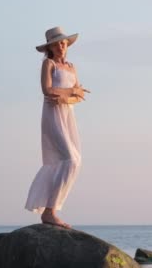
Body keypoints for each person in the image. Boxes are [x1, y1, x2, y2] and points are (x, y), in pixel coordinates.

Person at [25, 26, 90, 228]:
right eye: (57, 43)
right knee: (69, 160)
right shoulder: (49, 63)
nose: (61, 46)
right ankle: (50, 212)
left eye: (64, 43)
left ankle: (50, 210)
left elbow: (80, 97)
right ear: (50, 47)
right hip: (53, 115)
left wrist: (66, 95)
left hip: (68, 114)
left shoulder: (71, 67)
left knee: (75, 161)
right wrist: (71, 91)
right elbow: (47, 91)